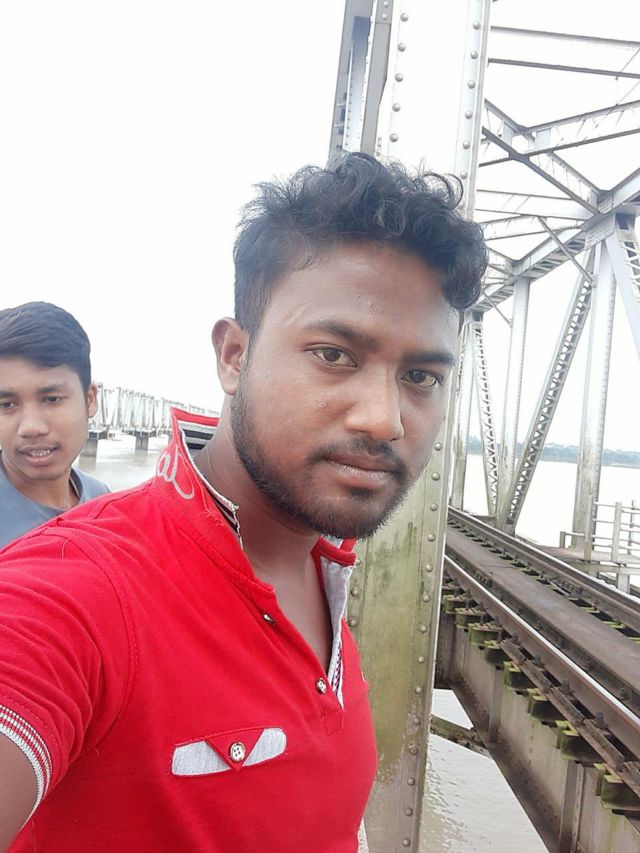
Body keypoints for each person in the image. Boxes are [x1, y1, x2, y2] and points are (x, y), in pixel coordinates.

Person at [0, 153, 486, 852]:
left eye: (421, 376)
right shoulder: (77, 589)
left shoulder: (323, 568)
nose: (384, 419)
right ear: (233, 355)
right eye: (334, 355)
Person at [0, 302, 109, 549]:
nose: (31, 427)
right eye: (7, 404)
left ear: (90, 400)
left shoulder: (102, 500)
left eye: (51, 400)